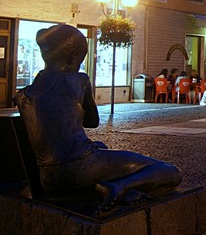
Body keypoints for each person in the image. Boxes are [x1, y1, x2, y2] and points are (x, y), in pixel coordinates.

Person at [14, 24, 182, 213]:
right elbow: (92, 122)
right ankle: (120, 187)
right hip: (81, 170)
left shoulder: (23, 95)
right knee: (169, 171)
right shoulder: (79, 80)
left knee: (100, 146)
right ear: (72, 57)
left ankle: (110, 187)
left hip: (50, 180)